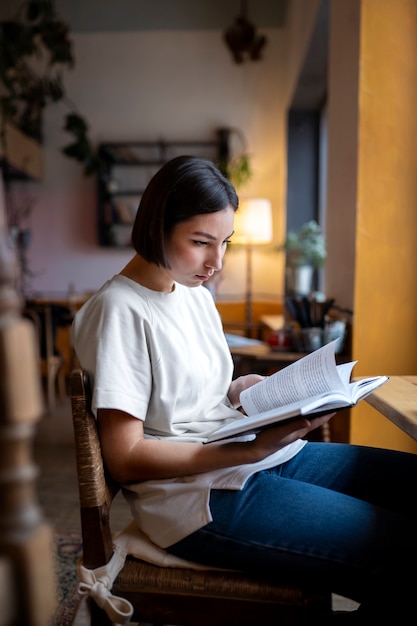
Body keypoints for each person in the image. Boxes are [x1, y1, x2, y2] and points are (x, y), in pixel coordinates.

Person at [72, 156, 417, 623]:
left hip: (251, 457)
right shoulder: (119, 310)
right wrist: (248, 454)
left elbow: (191, 395)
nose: (217, 262)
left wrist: (243, 391)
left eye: (225, 243)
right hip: (199, 497)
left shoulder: (192, 292)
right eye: (201, 242)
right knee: (397, 549)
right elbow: (125, 457)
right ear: (156, 225)